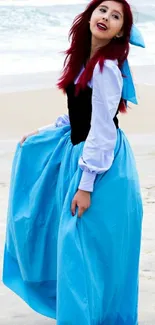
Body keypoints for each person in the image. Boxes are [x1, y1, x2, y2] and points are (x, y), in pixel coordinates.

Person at [3, 0, 143, 324]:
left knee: (80, 249)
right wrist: (43, 131)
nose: (106, 17)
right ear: (90, 14)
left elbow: (102, 130)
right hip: (84, 154)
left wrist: (86, 184)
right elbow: (81, 113)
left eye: (116, 16)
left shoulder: (106, 68)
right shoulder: (84, 60)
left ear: (122, 30)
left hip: (103, 169)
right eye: (103, 10)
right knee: (78, 250)